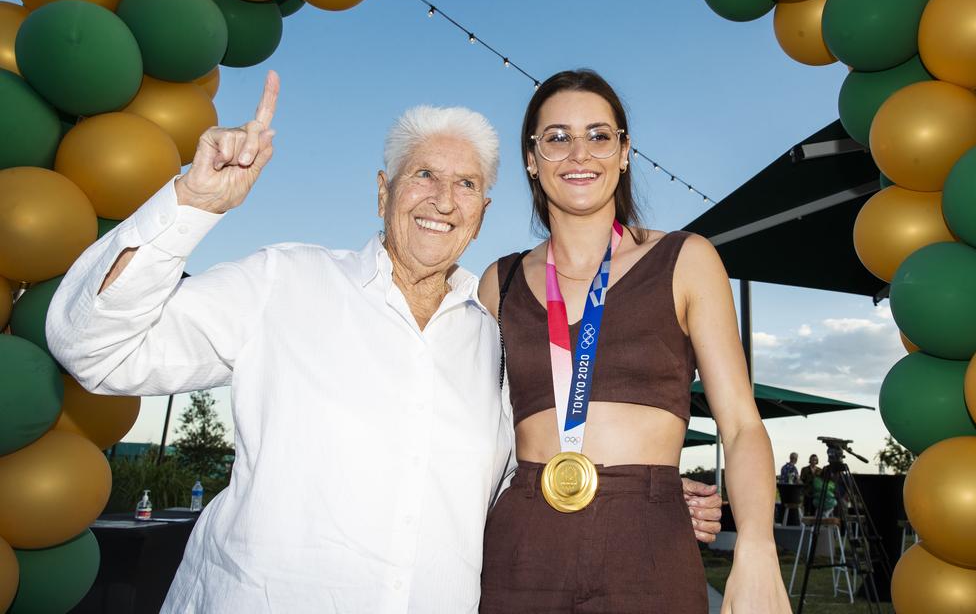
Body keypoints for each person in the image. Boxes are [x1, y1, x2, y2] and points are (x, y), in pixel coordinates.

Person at [45, 72, 721, 613]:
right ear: (382, 191)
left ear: (484, 211)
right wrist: (192, 203)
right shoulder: (285, 282)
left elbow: (526, 467)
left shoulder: (492, 334)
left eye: (466, 185)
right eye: (424, 174)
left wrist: (642, 493)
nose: (443, 199)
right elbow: (94, 351)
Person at [478, 69, 790, 613]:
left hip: (649, 538)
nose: (580, 153)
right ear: (531, 159)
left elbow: (741, 424)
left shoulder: (686, 259)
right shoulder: (496, 282)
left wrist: (758, 549)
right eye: (557, 137)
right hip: (523, 536)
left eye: (600, 136)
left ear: (624, 153)